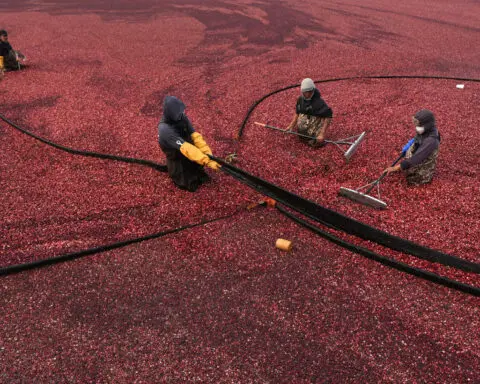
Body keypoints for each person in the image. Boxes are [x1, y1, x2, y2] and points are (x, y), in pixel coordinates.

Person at [158, 96, 220, 192]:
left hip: (187, 148)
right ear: (171, 114)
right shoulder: (165, 129)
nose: (182, 114)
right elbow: (186, 148)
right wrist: (206, 161)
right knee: (189, 183)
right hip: (177, 155)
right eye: (178, 113)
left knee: (199, 171)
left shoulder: (182, 117)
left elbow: (195, 136)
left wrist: (209, 155)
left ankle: (195, 168)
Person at [385, 109, 441, 185]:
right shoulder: (427, 130)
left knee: (413, 178)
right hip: (420, 155)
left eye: (419, 124)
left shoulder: (431, 140)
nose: (417, 127)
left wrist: (395, 168)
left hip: (423, 165)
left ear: (427, 124)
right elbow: (417, 138)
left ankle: (423, 176)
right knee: (408, 160)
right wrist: (410, 144)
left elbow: (416, 158)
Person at [286, 78, 333, 147]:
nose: (307, 94)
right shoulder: (300, 99)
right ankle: (305, 135)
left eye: (310, 91)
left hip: (316, 123)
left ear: (313, 90)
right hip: (307, 124)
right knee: (303, 135)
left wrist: (322, 134)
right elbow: (297, 112)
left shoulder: (319, 103)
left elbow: (328, 116)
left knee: (316, 143)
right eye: (305, 92)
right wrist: (291, 126)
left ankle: (316, 137)